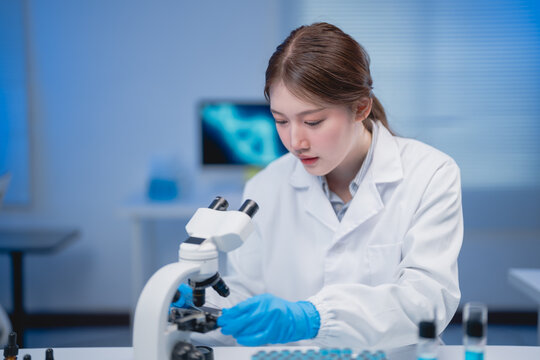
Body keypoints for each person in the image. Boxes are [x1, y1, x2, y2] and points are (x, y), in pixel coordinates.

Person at [185, 22, 463, 350]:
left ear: (360, 107)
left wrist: (315, 316)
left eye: (313, 122)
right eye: (281, 120)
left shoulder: (430, 173)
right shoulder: (265, 187)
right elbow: (247, 294)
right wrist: (200, 309)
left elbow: (427, 299)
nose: (295, 141)